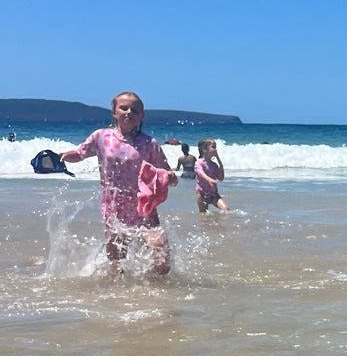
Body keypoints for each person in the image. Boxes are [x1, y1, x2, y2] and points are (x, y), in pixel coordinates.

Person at [58, 91, 176, 272]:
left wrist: (171, 178)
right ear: (114, 112)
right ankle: (118, 287)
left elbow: (166, 174)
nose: (129, 112)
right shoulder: (101, 137)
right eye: (124, 108)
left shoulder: (149, 143)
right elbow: (80, 153)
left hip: (144, 206)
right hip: (114, 207)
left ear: (142, 116)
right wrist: (64, 156)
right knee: (117, 259)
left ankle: (155, 285)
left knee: (159, 249)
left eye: (135, 110)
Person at [194, 139, 228, 212]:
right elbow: (200, 172)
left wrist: (219, 160)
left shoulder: (214, 165)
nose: (215, 150)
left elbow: (221, 178)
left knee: (225, 209)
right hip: (202, 194)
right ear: (204, 149)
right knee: (203, 215)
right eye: (213, 147)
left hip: (214, 194)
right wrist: (209, 179)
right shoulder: (199, 162)